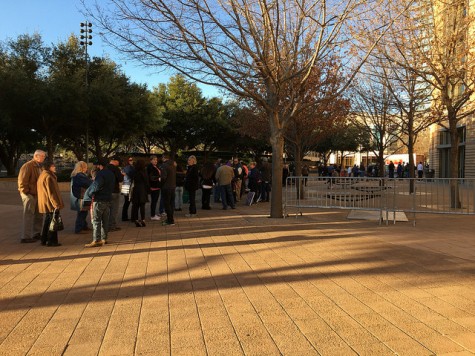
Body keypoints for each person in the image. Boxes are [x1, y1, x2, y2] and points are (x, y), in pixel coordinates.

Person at [83, 158, 116, 247]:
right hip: (108, 199)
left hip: (99, 199)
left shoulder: (100, 174)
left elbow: (96, 186)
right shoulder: (111, 174)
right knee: (105, 220)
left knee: (96, 220)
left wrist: (89, 194)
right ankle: (104, 238)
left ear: (100, 166)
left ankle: (97, 240)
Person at [18, 149, 46, 243]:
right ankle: (25, 237)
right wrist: (26, 193)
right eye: (42, 156)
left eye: (44, 156)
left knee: (39, 214)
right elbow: (22, 181)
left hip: (38, 194)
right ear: (36, 156)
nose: (43, 158)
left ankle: (36, 233)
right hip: (29, 194)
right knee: (28, 215)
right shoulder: (28, 166)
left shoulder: (40, 166)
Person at [37, 160, 64, 247]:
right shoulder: (49, 177)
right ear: (49, 167)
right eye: (53, 166)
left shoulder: (43, 175)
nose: (54, 167)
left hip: (46, 203)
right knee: (53, 222)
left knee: (48, 221)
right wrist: (56, 204)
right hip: (51, 204)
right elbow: (51, 192)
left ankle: (44, 239)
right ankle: (52, 241)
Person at [70, 161, 92, 234]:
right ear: (82, 168)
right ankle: (79, 228)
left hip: (79, 195)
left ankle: (84, 226)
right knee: (82, 212)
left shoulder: (76, 175)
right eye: (85, 167)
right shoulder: (80, 176)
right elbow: (87, 183)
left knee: (83, 212)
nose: (86, 169)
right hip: (81, 196)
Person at [130, 159, 149, 227]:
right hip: (143, 189)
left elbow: (132, 179)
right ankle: (143, 219)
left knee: (135, 205)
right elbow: (146, 181)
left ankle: (136, 219)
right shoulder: (144, 171)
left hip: (136, 189)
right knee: (142, 205)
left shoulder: (134, 171)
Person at [107, 156, 124, 231]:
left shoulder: (105, 167)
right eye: (118, 162)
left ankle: (106, 225)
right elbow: (120, 179)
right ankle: (112, 225)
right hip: (114, 190)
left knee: (107, 210)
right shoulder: (116, 169)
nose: (118, 163)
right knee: (114, 210)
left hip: (106, 191)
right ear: (115, 161)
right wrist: (122, 175)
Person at [160, 153, 177, 226]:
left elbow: (163, 177)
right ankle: (170, 218)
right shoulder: (173, 165)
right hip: (172, 186)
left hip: (166, 187)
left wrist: (160, 184)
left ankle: (170, 220)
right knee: (171, 204)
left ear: (163, 158)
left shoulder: (164, 165)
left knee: (167, 204)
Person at [147, 155, 162, 221]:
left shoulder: (155, 166)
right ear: (151, 160)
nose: (156, 161)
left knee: (155, 201)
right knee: (154, 201)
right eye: (154, 160)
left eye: (156, 159)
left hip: (157, 186)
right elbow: (151, 177)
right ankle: (152, 215)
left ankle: (153, 214)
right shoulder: (150, 167)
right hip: (154, 186)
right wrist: (158, 178)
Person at [121, 156, 136, 221]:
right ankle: (132, 217)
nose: (131, 161)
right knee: (131, 202)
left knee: (126, 202)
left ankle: (124, 216)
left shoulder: (124, 168)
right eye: (130, 160)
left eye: (132, 160)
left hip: (125, 185)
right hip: (129, 185)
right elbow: (133, 176)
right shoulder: (131, 168)